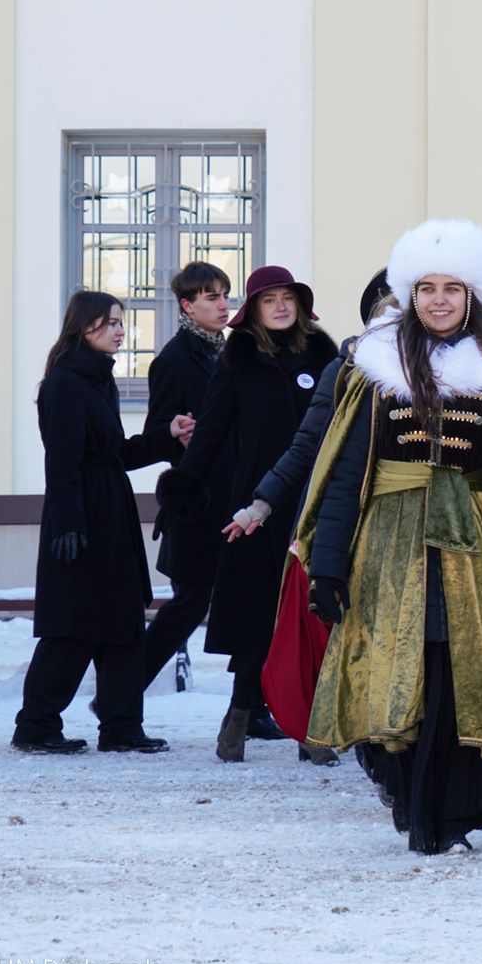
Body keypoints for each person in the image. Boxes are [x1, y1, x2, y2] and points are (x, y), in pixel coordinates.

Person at [299, 218, 482, 855]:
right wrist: (328, 565)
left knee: (458, 668)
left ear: (471, 296)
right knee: (401, 668)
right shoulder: (374, 366)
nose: (439, 299)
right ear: (409, 295)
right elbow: (347, 470)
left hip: (475, 538)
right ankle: (415, 803)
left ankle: (453, 814)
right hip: (390, 540)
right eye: (427, 288)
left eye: (452, 288)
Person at [158, 265, 339, 762]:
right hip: (258, 509)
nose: (281, 307)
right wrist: (184, 485)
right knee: (259, 621)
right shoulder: (237, 360)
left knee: (314, 617)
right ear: (254, 310)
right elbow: (211, 432)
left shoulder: (326, 357)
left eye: (288, 298)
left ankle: (312, 731)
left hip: (316, 506)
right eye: (269, 299)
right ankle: (237, 719)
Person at [13, 292, 193, 754]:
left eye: (120, 323)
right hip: (83, 520)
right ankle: (35, 726)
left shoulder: (96, 380)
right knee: (71, 628)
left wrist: (165, 437)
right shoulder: (66, 384)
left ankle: (121, 727)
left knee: (122, 623)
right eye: (110, 323)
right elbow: (64, 462)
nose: (119, 331)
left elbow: (114, 453)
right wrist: (70, 525)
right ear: (84, 326)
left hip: (110, 512)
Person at [228, 268, 393, 768]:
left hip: (415, 526)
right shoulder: (343, 371)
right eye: (387, 316)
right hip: (346, 521)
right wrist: (261, 502)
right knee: (331, 630)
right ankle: (325, 731)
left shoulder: (447, 374)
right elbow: (306, 446)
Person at [137, 262, 241, 709]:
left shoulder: (232, 352)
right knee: (188, 605)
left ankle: (251, 707)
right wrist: (177, 432)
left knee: (245, 604)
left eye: (225, 295)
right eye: (211, 297)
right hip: (198, 505)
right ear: (187, 305)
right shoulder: (175, 360)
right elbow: (158, 429)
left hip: (237, 498)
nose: (223, 305)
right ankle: (121, 695)